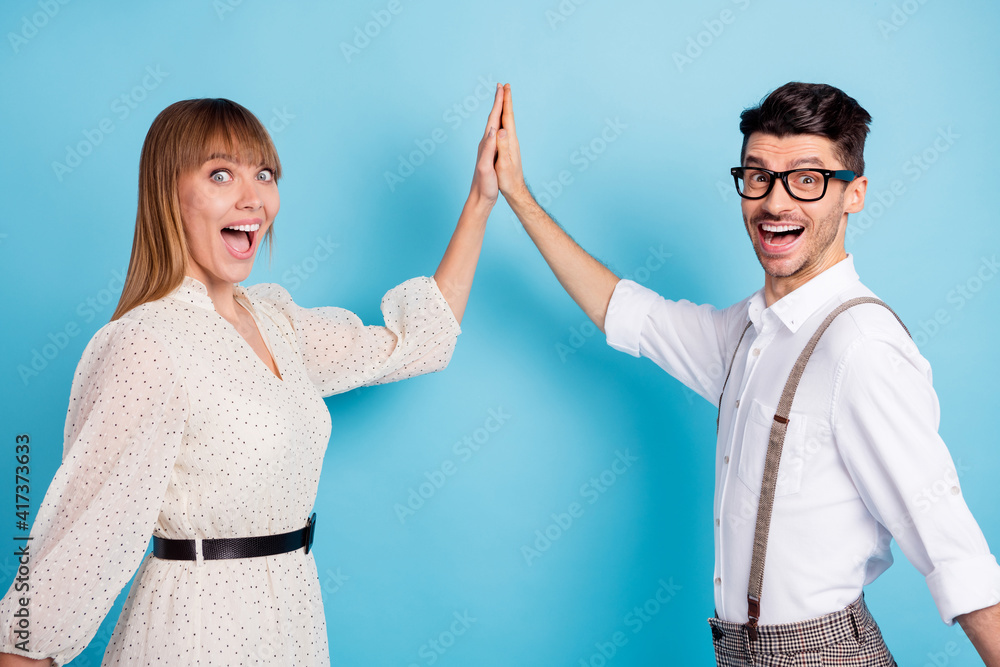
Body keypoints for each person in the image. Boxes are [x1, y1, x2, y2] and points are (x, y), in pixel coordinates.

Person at [492, 82, 1000, 665]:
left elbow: (953, 551)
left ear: (854, 194)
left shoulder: (860, 347)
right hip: (740, 653)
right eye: (759, 176)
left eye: (807, 179)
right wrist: (520, 198)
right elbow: (628, 312)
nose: (776, 204)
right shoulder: (749, 334)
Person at [0, 87, 505, 666]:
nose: (253, 198)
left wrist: (479, 201)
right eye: (220, 175)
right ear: (169, 194)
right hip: (191, 637)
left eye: (264, 174)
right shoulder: (145, 344)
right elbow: (77, 554)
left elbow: (417, 344)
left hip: (292, 626)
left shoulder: (277, 320)